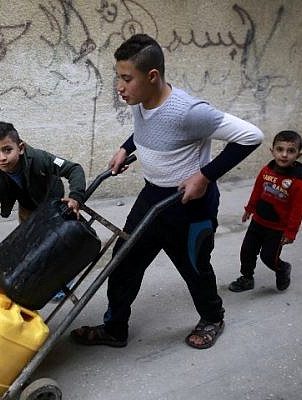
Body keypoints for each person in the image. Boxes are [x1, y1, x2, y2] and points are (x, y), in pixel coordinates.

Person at [70, 33, 264, 350]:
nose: (119, 86)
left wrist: (205, 174)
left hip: (189, 206)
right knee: (123, 263)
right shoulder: (140, 99)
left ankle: (213, 318)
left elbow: (251, 136)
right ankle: (115, 328)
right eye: (118, 77)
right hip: (152, 198)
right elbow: (151, 127)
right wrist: (126, 147)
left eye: (126, 78)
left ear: (152, 76)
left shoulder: (190, 112)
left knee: (195, 268)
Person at [0, 121, 86, 266]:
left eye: (7, 150)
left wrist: (75, 198)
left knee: (56, 244)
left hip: (52, 206)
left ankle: (64, 279)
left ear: (20, 148)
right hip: (27, 208)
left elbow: (74, 169)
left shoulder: (39, 158)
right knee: (32, 244)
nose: (2, 158)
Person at [229, 130, 302, 292]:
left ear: (298, 155)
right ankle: (246, 278)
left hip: (277, 229)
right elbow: (257, 190)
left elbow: (297, 209)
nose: (284, 155)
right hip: (258, 221)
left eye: (291, 151)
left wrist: (291, 232)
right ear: (272, 151)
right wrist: (250, 209)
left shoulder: (298, 182)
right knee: (247, 251)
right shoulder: (266, 171)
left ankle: (283, 269)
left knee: (269, 257)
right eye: (280, 149)